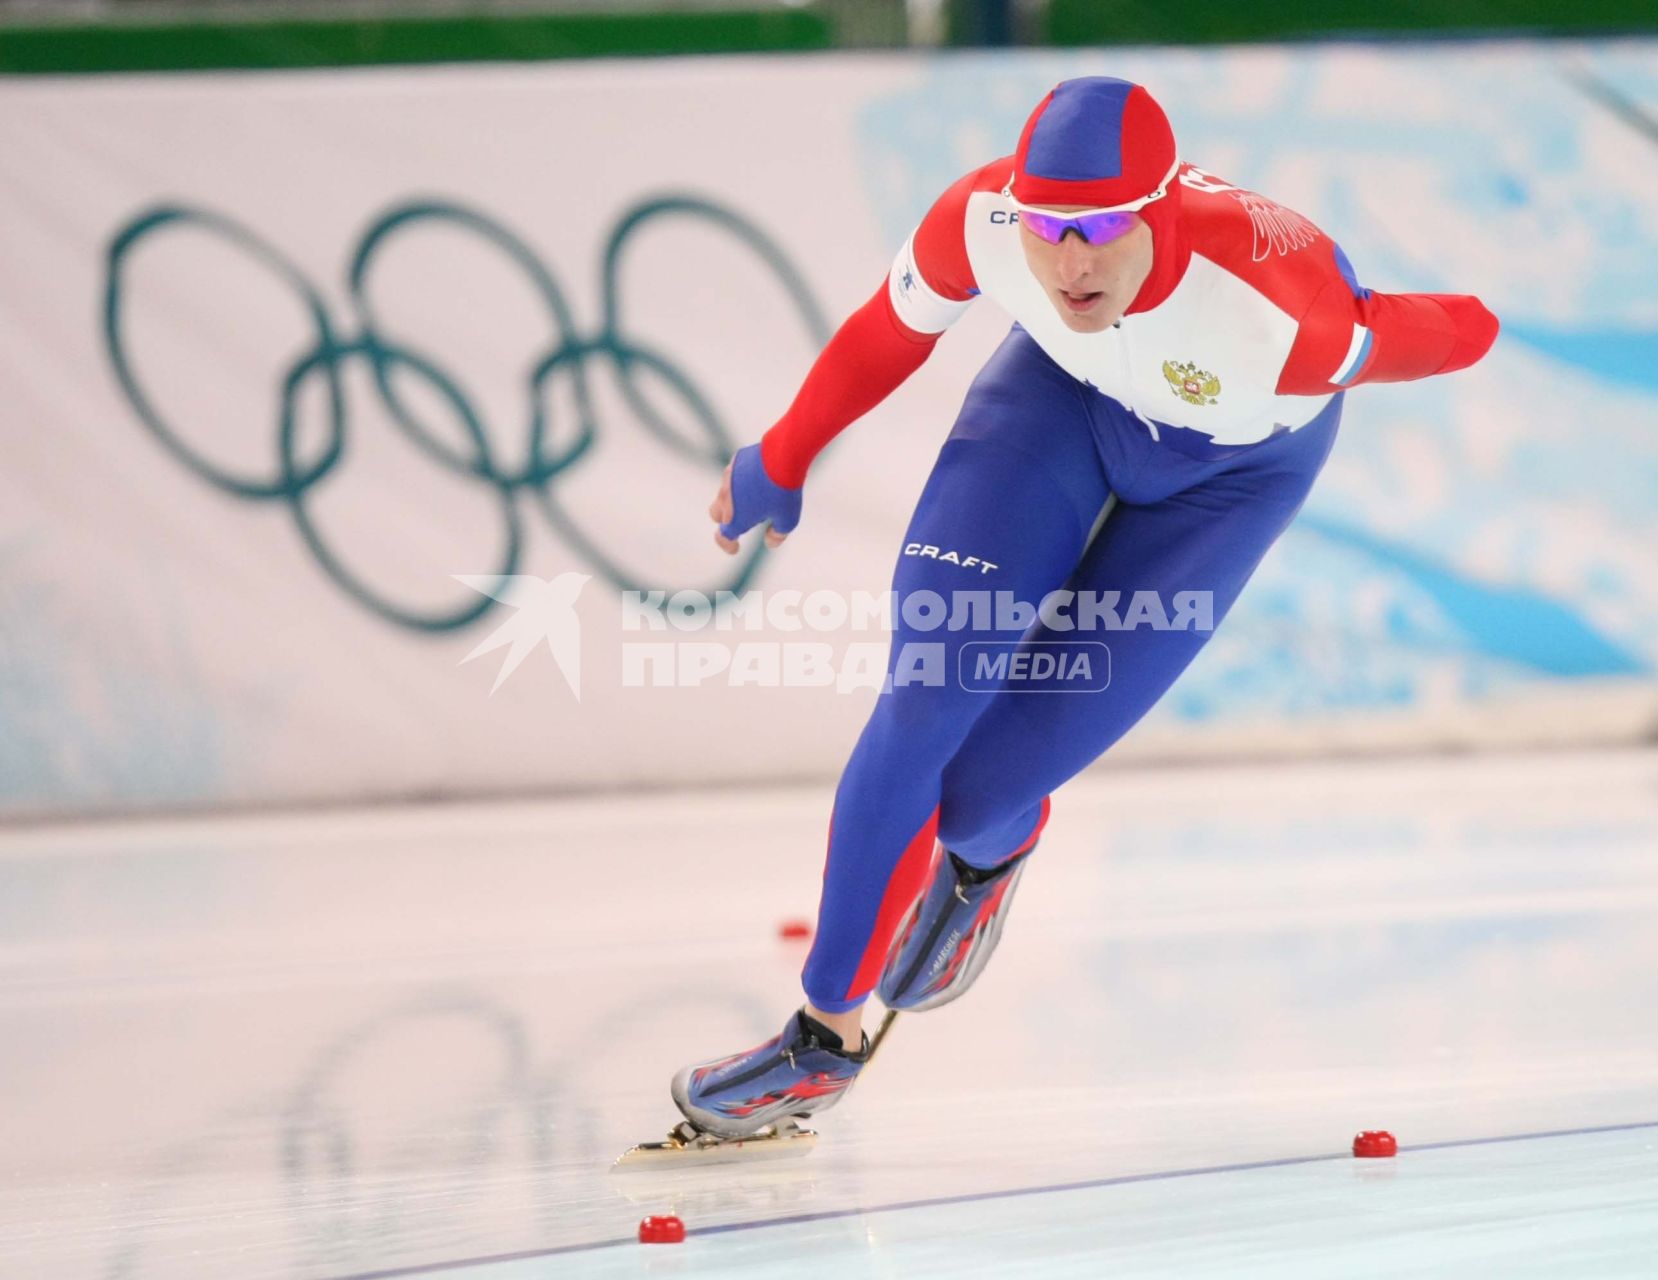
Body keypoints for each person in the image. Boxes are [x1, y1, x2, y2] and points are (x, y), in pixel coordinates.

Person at [672, 77, 1498, 1138]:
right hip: (1058, 404)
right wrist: (778, 457)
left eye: (1102, 229)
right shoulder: (982, 219)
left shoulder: (1281, 315)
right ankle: (818, 1039)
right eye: (1050, 227)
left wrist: (1486, 318)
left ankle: (987, 853)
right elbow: (888, 331)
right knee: (924, 694)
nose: (1068, 263)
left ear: (1155, 214)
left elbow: (1442, 330)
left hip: (1226, 479)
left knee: (973, 794)